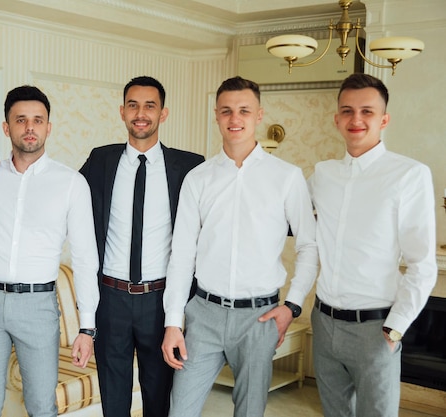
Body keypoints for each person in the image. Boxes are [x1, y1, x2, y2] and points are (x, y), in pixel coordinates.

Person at [161, 76, 318, 417]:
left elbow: (309, 245)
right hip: (203, 314)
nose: (235, 119)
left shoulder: (287, 177)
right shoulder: (198, 178)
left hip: (258, 318)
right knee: (180, 411)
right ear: (216, 115)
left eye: (244, 110)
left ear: (258, 115)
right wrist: (173, 321)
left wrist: (291, 306)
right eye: (227, 111)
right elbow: (182, 254)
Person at [0, 85, 100, 417]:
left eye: (37, 120)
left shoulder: (71, 183)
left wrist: (87, 327)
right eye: (21, 120)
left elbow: (86, 257)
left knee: (42, 407)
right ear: (6, 127)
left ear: (48, 127)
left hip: (37, 307)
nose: (30, 127)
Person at [308, 73, 437, 417]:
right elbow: (282, 214)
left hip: (375, 330)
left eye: (367, 111)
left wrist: (396, 327)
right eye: (347, 111)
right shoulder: (322, 174)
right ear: (336, 119)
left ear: (384, 119)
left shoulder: (409, 175)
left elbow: (422, 263)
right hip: (323, 322)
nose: (356, 119)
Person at [79, 76, 204, 417]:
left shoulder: (191, 167)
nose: (141, 113)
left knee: (160, 398)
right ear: (122, 112)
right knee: (114, 399)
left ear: (163, 114)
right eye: (133, 105)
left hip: (162, 302)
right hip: (111, 299)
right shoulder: (100, 161)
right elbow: (62, 198)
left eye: (150, 105)